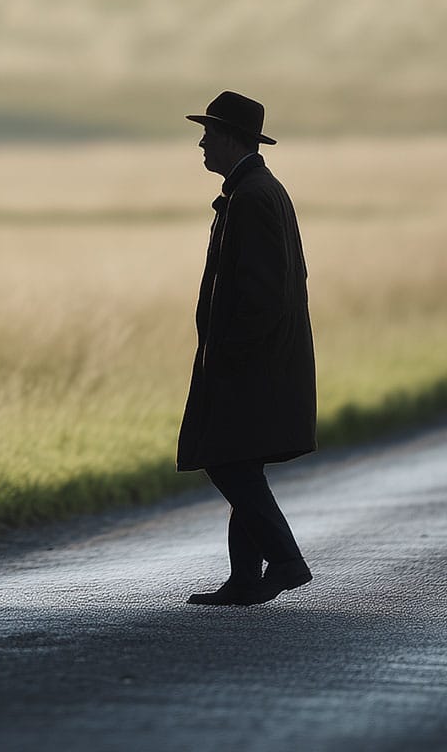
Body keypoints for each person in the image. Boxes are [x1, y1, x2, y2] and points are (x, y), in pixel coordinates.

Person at [178, 91, 316, 606]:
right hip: (258, 361)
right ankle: (243, 579)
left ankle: (285, 560)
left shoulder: (253, 196)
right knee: (239, 461)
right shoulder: (254, 190)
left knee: (228, 461)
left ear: (232, 138)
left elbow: (261, 293)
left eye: (209, 133)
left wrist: (231, 359)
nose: (201, 142)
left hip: (252, 364)